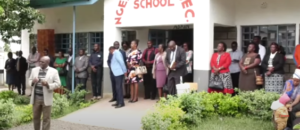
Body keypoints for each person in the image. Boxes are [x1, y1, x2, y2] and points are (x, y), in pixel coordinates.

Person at [28, 56, 61, 130]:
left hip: (46, 98)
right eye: (40, 61)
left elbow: (58, 84)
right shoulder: (34, 70)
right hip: (36, 98)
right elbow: (29, 81)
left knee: (46, 118)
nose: (40, 63)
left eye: (42, 62)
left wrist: (48, 85)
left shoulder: (54, 71)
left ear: (48, 62)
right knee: (36, 117)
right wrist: (33, 82)